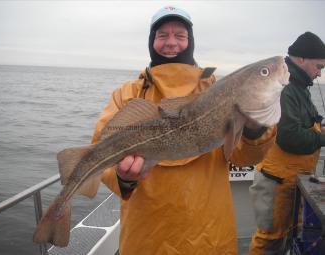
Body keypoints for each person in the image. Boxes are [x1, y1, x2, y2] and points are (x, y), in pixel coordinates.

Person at [91, 6, 277, 255]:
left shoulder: (218, 90)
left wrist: (254, 130)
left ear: (190, 42)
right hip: (145, 237)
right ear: (151, 41)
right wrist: (123, 177)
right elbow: (100, 156)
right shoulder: (127, 94)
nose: (171, 43)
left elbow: (245, 158)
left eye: (180, 35)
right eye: (162, 35)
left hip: (209, 236)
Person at [248, 31, 325, 255]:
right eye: (318, 66)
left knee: (285, 238)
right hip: (276, 181)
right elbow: (289, 137)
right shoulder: (286, 88)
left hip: (291, 180)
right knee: (270, 241)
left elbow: (304, 124)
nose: (319, 73)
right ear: (301, 59)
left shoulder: (300, 88)